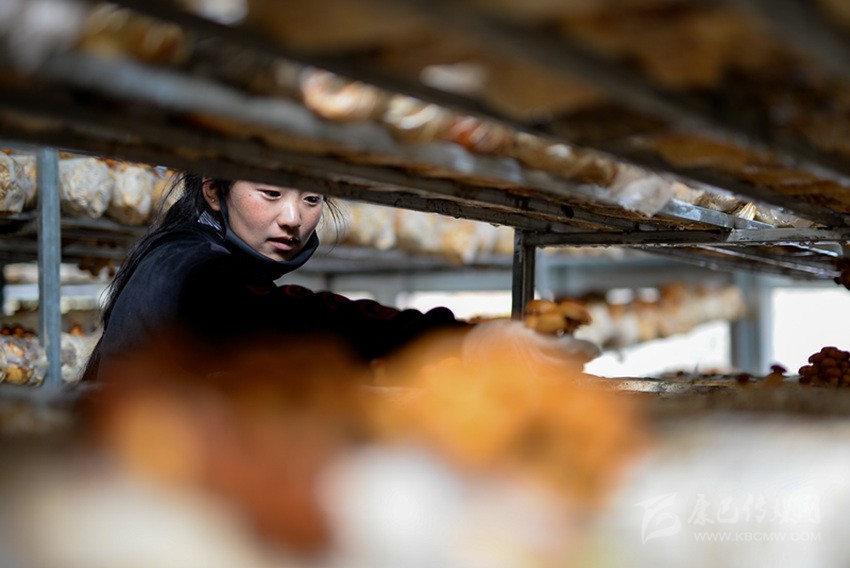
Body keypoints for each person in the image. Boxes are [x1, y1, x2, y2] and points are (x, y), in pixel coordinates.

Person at [82, 173, 466, 382]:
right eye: (271, 193)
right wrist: (447, 336)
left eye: (311, 199)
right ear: (214, 192)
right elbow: (298, 320)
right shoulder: (194, 266)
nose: (293, 218)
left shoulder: (179, 250)